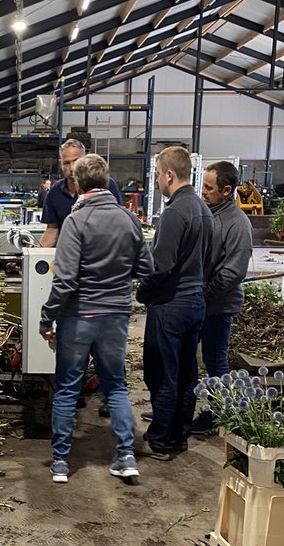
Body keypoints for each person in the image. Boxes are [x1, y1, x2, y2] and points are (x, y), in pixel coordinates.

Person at [40, 154, 154, 483]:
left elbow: (65, 280)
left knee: (67, 388)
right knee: (115, 385)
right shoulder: (128, 219)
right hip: (115, 316)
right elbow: (147, 267)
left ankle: (61, 462)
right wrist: (117, 273)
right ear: (107, 181)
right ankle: (126, 455)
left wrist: (46, 318)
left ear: (77, 184)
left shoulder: (76, 221)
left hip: (79, 316)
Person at [137, 146, 214, 459]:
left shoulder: (174, 212)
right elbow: (209, 260)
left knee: (163, 375)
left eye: (157, 174)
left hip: (170, 303)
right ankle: (180, 435)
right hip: (195, 302)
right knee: (186, 375)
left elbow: (161, 266)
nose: (157, 180)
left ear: (169, 174)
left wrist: (143, 291)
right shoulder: (203, 210)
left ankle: (161, 440)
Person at [193, 161, 253, 434]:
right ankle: (179, 408)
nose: (203, 192)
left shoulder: (237, 223)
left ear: (227, 190)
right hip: (199, 301)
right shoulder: (207, 213)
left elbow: (233, 271)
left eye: (209, 188)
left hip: (218, 305)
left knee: (214, 359)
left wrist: (205, 295)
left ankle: (219, 414)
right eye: (203, 186)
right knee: (188, 357)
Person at [40, 139, 123, 247]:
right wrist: (35, 252)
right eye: (66, 163)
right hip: (68, 250)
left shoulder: (106, 184)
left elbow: (118, 223)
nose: (72, 168)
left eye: (76, 161)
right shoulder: (55, 191)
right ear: (61, 164)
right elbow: (52, 231)